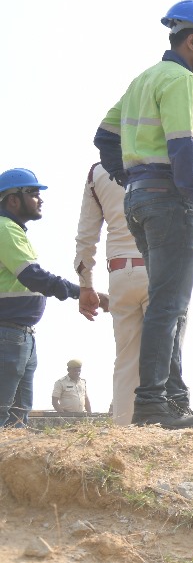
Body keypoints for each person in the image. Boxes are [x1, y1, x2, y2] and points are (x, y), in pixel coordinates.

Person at [93, 0, 193, 431]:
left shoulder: (142, 80)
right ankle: (153, 402)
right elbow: (185, 150)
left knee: (168, 304)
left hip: (140, 200)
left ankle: (172, 400)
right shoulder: (181, 81)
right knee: (169, 305)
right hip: (171, 201)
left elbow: (103, 136)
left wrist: (132, 176)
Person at [0, 169, 96, 427]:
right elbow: (35, 277)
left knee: (17, 418)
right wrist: (82, 292)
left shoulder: (12, 230)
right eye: (33, 193)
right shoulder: (4, 228)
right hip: (7, 335)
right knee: (5, 412)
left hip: (20, 335)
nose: (40, 199)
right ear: (12, 199)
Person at [74, 162, 148, 425]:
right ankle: (162, 427)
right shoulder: (161, 157)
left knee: (126, 360)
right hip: (159, 268)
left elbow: (86, 236)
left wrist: (86, 285)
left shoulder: (97, 171)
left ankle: (123, 430)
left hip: (119, 273)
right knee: (166, 355)